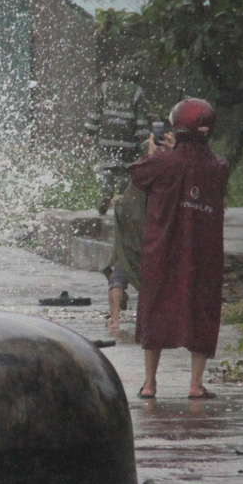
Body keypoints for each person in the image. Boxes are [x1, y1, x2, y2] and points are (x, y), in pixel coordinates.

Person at [130, 97, 229, 400]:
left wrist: (160, 151)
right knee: (202, 310)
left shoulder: (161, 162)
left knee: (155, 309)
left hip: (162, 252)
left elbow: (137, 174)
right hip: (203, 255)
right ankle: (195, 385)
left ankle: (149, 383)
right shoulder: (218, 167)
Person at [103, 138, 149, 336]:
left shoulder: (139, 174)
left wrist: (119, 203)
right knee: (131, 281)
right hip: (149, 241)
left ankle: (114, 320)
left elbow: (131, 208)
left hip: (133, 243)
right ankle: (142, 320)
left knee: (118, 279)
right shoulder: (159, 173)